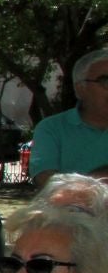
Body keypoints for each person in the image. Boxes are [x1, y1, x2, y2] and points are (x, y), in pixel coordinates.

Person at [27, 49, 108, 183]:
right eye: (105, 81)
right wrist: (99, 179)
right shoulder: (52, 128)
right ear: (81, 89)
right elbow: (48, 183)